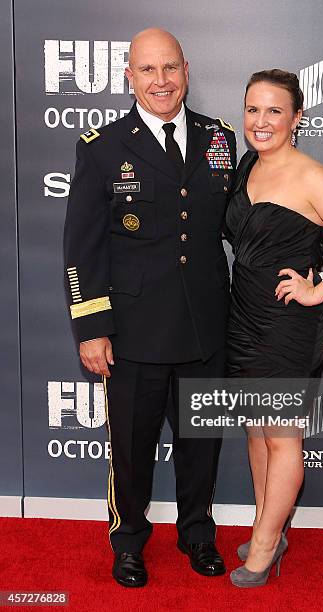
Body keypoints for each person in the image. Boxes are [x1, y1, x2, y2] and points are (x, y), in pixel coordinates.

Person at [63, 28, 236, 587]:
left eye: (170, 68)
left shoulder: (221, 140)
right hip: (133, 332)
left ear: (186, 69)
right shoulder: (104, 146)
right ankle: (129, 542)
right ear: (129, 76)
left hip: (206, 325)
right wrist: (91, 327)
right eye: (147, 70)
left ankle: (197, 535)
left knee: (200, 445)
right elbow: (82, 245)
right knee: (131, 452)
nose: (161, 81)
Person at [225, 69, 323, 588]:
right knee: (256, 429)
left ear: (297, 118)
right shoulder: (249, 163)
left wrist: (318, 290)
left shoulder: (311, 175)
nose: (260, 121)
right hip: (244, 314)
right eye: (252, 109)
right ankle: (266, 524)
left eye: (274, 111)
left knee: (282, 438)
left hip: (287, 326)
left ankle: (267, 545)